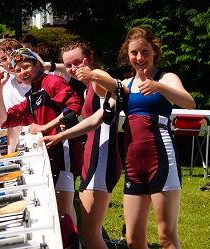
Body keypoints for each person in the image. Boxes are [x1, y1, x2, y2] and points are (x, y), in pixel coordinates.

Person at [82, 26, 196, 249]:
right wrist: (61, 135)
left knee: (166, 237)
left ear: (154, 51)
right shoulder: (125, 86)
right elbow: (99, 108)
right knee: (133, 240)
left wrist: (159, 87)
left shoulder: (167, 78)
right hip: (133, 165)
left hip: (161, 160)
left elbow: (189, 102)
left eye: (145, 52)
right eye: (134, 53)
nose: (140, 57)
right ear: (128, 54)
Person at [39, 41, 122, 249]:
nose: (73, 69)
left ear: (90, 60)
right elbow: (88, 123)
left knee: (90, 233)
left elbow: (116, 86)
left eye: (78, 63)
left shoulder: (98, 82)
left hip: (102, 159)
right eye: (68, 66)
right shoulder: (87, 92)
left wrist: (61, 136)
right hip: (92, 158)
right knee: (88, 232)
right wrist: (48, 65)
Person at [0, 47, 84, 231]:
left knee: (62, 217)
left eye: (26, 67)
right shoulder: (32, 95)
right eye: (17, 70)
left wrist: (45, 127)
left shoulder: (51, 81)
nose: (23, 73)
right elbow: (3, 121)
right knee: (62, 215)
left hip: (63, 155)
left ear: (36, 65)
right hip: (51, 158)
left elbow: (74, 106)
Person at [0, 39, 31, 154]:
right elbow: (11, 123)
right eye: (4, 59)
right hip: (20, 130)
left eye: (12, 56)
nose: (9, 62)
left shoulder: (32, 77)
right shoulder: (7, 80)